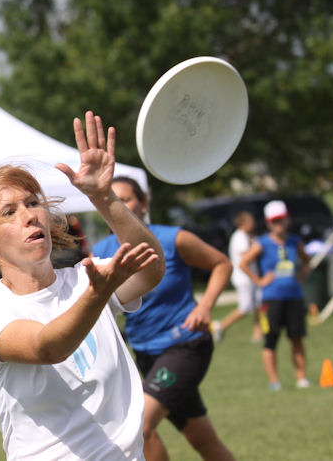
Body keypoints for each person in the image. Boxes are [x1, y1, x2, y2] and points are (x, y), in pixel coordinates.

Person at [0, 111, 165, 460]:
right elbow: (48, 348)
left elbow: (151, 269)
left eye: (32, 203)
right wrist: (96, 296)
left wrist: (103, 196)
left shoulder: (86, 278)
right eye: (9, 212)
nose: (29, 215)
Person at [92, 176, 234, 461]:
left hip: (185, 346)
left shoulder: (172, 239)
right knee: (202, 438)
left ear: (143, 203)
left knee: (141, 428)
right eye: (110, 200)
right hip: (145, 354)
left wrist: (204, 306)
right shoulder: (100, 253)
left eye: (124, 199)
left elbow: (222, 264)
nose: (118, 206)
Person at [238, 200, 311, 391]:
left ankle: (301, 378)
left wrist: (302, 276)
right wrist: (259, 281)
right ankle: (274, 382)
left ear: (287, 219)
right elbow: (243, 263)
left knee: (296, 338)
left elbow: (306, 260)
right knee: (270, 340)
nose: (278, 224)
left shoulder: (294, 241)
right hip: (271, 299)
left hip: (294, 296)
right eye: (274, 221)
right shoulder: (262, 243)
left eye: (281, 219)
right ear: (268, 223)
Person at [212, 211, 263, 342]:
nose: (254, 223)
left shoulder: (247, 236)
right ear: (243, 223)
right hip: (244, 277)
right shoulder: (239, 236)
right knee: (245, 307)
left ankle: (258, 333)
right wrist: (257, 248)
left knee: (258, 305)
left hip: (251, 276)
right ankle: (220, 326)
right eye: (251, 221)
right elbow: (245, 257)